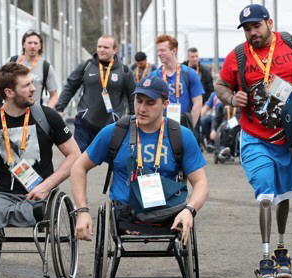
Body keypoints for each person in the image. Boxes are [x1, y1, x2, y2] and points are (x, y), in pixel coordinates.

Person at [214, 4, 292, 278]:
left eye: (256, 26)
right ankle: (265, 262)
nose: (252, 33)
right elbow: (220, 84)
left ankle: (281, 251)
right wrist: (231, 99)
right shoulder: (238, 55)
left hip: (290, 138)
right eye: (247, 29)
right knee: (265, 193)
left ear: (269, 22)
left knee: (284, 195)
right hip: (255, 136)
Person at [71, 76, 209, 245]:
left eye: (150, 103)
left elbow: (201, 182)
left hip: (167, 211)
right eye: (139, 101)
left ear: (165, 104)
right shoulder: (115, 132)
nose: (142, 108)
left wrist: (190, 209)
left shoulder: (180, 135)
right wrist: (82, 210)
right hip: (125, 211)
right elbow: (78, 167)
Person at [0, 62, 80, 233]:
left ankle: (17, 213)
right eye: (26, 85)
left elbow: (75, 155)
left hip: (42, 195)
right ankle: (18, 213)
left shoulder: (47, 116)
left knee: (32, 209)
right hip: (4, 195)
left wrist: (47, 185)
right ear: (9, 93)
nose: (33, 88)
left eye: (32, 83)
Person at [55, 35, 136, 152]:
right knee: (77, 159)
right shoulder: (86, 66)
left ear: (114, 50)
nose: (101, 50)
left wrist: (133, 117)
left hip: (111, 125)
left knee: (116, 161)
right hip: (85, 123)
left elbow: (132, 95)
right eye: (99, 46)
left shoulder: (124, 71)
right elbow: (70, 86)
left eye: (106, 47)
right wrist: (60, 108)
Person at [149, 35, 204, 131]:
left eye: (162, 50)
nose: (159, 53)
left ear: (173, 51)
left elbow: (198, 102)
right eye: (158, 50)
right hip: (160, 126)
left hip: (183, 124)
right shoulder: (154, 76)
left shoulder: (189, 73)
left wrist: (189, 128)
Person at [9, 30, 58, 108]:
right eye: (29, 43)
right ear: (23, 45)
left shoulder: (46, 67)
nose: (32, 46)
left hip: (34, 113)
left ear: (40, 46)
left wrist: (46, 113)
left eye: (35, 43)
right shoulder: (12, 62)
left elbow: (54, 95)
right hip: (12, 111)